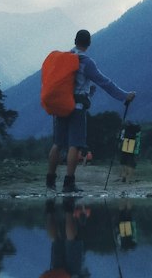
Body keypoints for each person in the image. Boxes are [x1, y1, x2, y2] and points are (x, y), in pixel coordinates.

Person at [47, 30, 135, 194]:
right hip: (77, 107)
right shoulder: (87, 62)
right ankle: (69, 183)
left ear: (75, 40)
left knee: (58, 143)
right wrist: (124, 96)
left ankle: (50, 181)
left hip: (60, 105)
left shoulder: (63, 59)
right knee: (75, 144)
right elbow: (105, 83)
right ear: (89, 44)